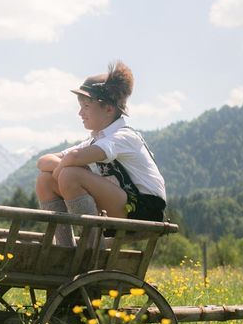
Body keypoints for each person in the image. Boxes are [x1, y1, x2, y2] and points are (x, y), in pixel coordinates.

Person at [35, 61, 166, 246]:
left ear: (109, 109)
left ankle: (91, 248)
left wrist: (69, 168)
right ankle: (65, 248)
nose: (80, 112)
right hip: (123, 205)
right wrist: (63, 168)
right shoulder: (96, 140)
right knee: (45, 180)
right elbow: (43, 161)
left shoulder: (124, 136)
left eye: (86, 106)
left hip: (145, 209)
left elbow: (73, 158)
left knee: (70, 175)